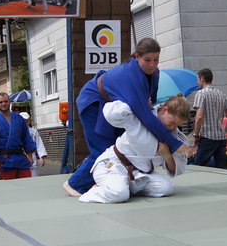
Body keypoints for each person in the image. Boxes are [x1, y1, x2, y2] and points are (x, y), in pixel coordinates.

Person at [64, 38, 185, 196]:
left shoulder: (155, 74)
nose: (152, 64)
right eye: (147, 60)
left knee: (125, 146)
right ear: (137, 57)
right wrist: (174, 144)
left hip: (121, 108)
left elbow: (150, 103)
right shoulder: (130, 73)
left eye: (156, 60)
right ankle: (74, 184)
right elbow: (145, 115)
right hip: (94, 101)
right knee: (103, 148)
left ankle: (121, 181)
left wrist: (147, 103)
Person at [79, 96, 191, 204]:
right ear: (164, 110)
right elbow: (111, 112)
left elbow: (178, 168)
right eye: (172, 123)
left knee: (166, 188)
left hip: (139, 174)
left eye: (177, 125)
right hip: (114, 164)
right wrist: (135, 104)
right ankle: (96, 191)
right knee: (119, 194)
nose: (172, 128)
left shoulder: (176, 137)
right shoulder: (142, 116)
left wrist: (167, 155)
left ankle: (122, 186)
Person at [191, 68, 227, 169]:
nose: (197, 82)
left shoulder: (201, 94)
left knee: (198, 166)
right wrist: (224, 131)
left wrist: (196, 135)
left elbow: (199, 117)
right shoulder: (222, 94)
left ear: (202, 78)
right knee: (221, 168)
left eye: (198, 79)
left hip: (207, 136)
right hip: (221, 137)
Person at [0, 92, 36, 180]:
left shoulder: (19, 118)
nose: (3, 104)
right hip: (4, 160)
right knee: (8, 187)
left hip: (20, 159)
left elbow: (26, 137)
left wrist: (29, 156)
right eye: (1, 102)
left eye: (6, 101)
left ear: (9, 102)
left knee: (27, 184)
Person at [20, 112, 47, 177]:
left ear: (29, 121)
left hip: (32, 159)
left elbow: (39, 144)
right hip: (21, 159)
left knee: (34, 176)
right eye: (22, 121)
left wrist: (41, 157)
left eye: (26, 121)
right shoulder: (16, 132)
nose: (24, 123)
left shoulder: (34, 132)